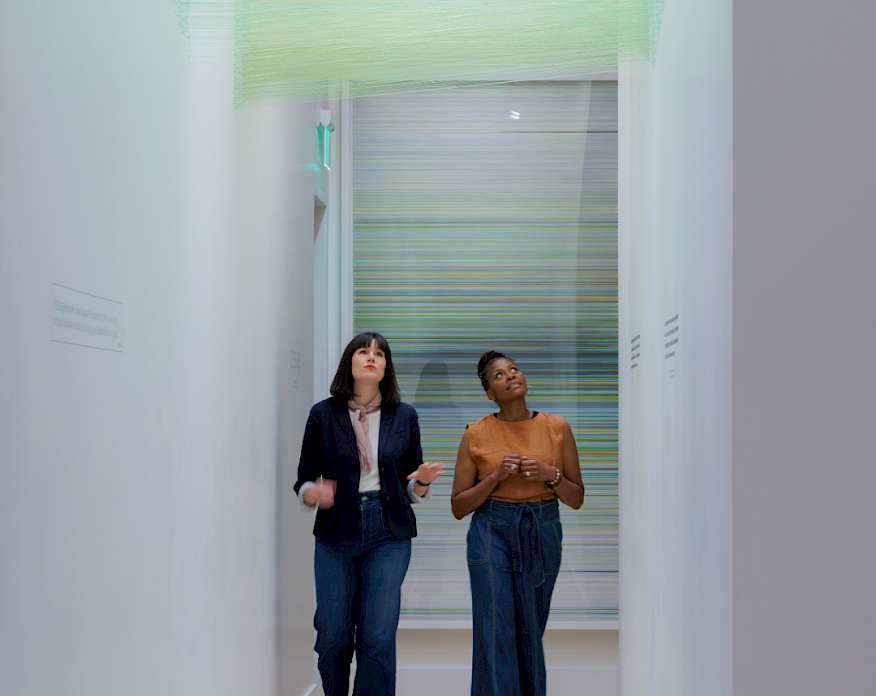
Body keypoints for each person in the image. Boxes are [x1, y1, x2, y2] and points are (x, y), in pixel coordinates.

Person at [295, 332, 443, 696]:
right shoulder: (323, 414)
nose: (372, 357)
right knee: (333, 635)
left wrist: (422, 484)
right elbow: (302, 478)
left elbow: (410, 486)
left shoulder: (404, 416)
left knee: (377, 637)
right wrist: (311, 493)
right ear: (351, 361)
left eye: (379, 353)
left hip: (388, 532)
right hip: (336, 532)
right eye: (364, 351)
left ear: (386, 368)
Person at [451, 350, 585, 696]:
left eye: (514, 369)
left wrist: (550, 475)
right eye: (499, 375)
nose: (511, 376)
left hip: (542, 529)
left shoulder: (557, 427)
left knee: (529, 631)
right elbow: (459, 505)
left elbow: (576, 498)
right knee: (495, 631)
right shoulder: (476, 433)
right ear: (489, 393)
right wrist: (494, 477)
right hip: (491, 530)